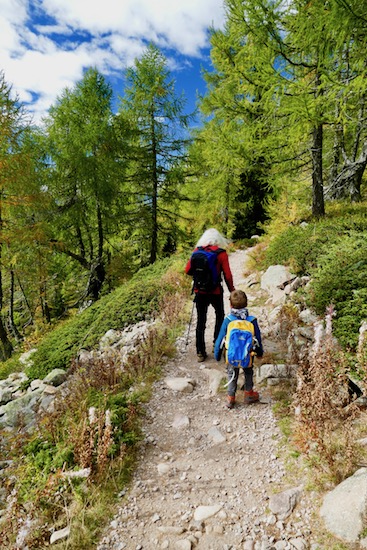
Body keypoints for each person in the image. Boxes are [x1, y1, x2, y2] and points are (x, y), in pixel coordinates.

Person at [185, 228, 235, 362]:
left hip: (200, 291)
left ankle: (200, 352)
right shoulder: (221, 253)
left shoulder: (197, 252)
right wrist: (232, 291)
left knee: (201, 320)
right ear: (218, 239)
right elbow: (228, 275)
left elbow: (187, 270)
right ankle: (216, 344)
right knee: (220, 315)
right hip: (215, 291)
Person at [214, 289, 263, 408]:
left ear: (230, 304)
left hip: (232, 355)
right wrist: (260, 352)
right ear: (246, 304)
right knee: (248, 372)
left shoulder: (228, 320)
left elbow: (220, 339)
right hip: (248, 354)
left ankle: (231, 398)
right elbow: (258, 338)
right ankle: (249, 393)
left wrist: (217, 354)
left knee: (232, 373)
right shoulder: (252, 320)